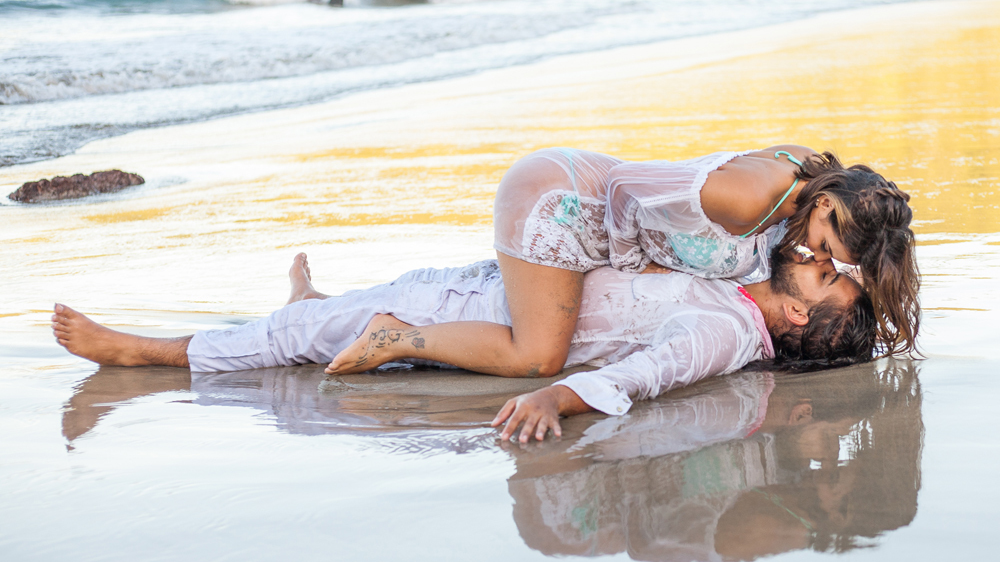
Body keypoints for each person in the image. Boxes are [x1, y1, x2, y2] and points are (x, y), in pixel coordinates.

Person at [50, 246, 875, 442]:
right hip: (492, 286)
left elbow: (647, 373)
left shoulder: (726, 328)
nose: (819, 261)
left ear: (802, 322)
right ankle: (318, 304)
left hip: (476, 309)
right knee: (334, 323)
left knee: (295, 343)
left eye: (833, 276)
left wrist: (556, 394)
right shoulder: (743, 269)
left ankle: (143, 352)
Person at [320, 146, 917, 381]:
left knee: (473, 296)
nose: (819, 258)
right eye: (831, 252)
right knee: (538, 355)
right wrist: (638, 266)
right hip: (564, 208)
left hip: (590, 220)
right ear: (831, 206)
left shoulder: (800, 193)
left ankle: (316, 311)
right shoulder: (751, 200)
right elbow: (629, 186)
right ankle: (396, 338)